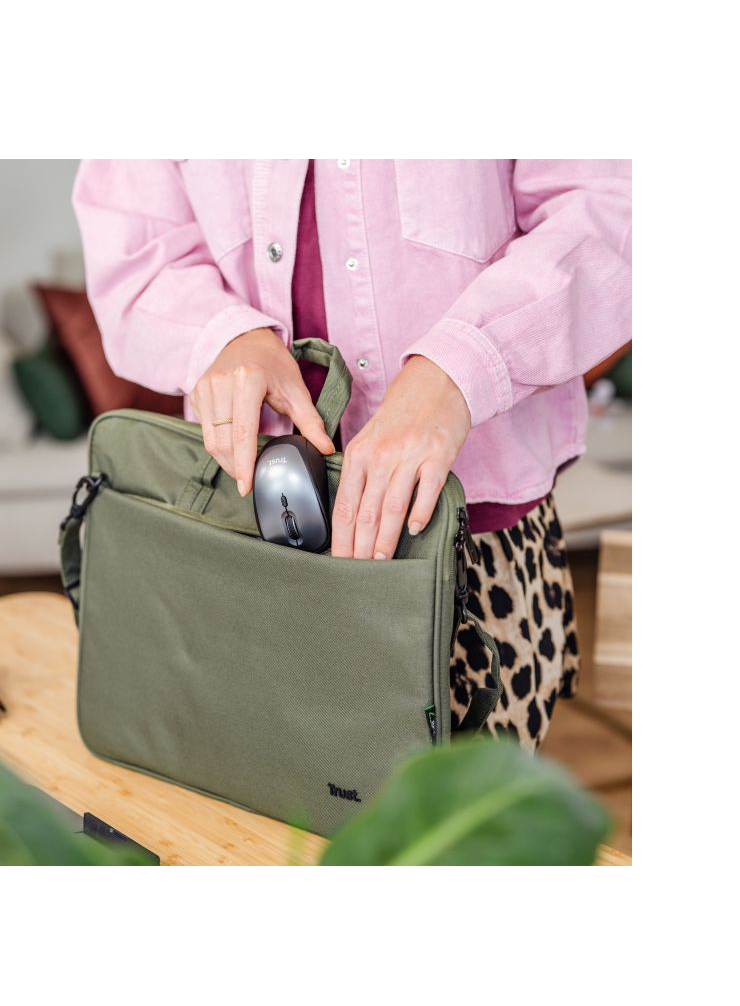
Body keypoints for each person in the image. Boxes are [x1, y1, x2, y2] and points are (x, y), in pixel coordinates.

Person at [73, 159, 632, 749]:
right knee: (240, 784)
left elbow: (614, 208)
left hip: (468, 541)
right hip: (240, 532)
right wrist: (220, 335)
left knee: (458, 802)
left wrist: (463, 365)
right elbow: (133, 243)